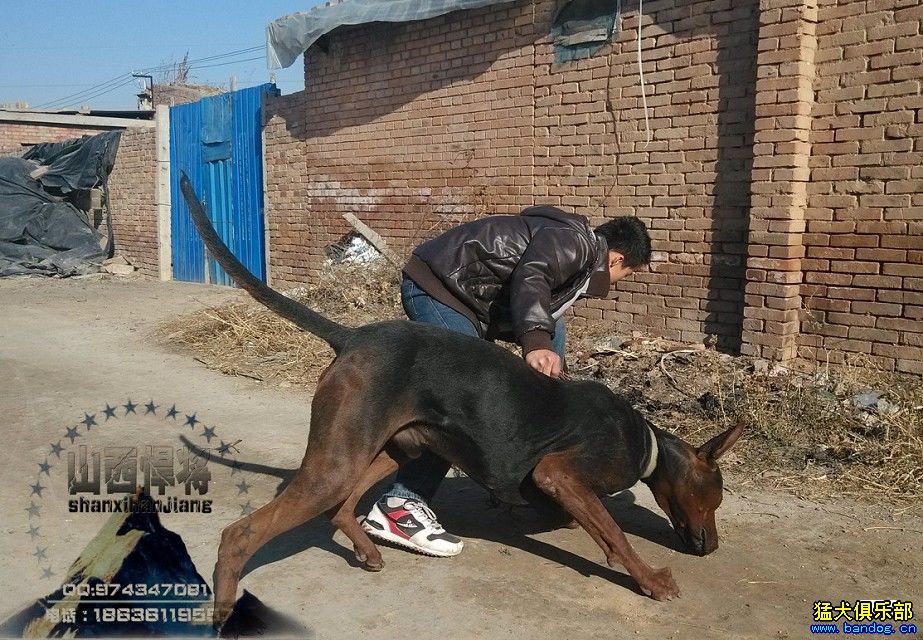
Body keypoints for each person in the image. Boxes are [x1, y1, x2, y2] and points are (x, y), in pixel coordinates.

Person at [360, 205, 652, 556]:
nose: (620, 284)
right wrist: (536, 344)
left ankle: (524, 465)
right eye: (629, 274)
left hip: (464, 298)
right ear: (617, 259)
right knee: (458, 402)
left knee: (553, 332)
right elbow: (532, 277)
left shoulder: (575, 251)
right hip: (441, 291)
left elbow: (538, 304)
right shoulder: (578, 244)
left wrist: (547, 370)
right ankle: (400, 506)